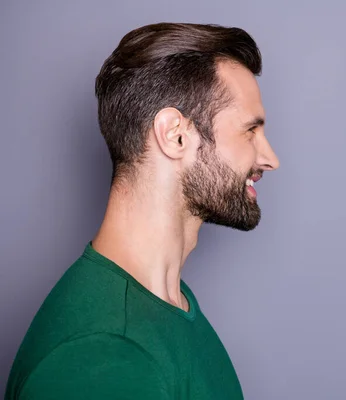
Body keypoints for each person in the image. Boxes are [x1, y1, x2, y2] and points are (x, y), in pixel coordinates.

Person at [5, 22, 279, 400]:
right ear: (175, 135)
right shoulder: (103, 355)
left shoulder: (169, 305)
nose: (270, 159)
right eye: (250, 131)